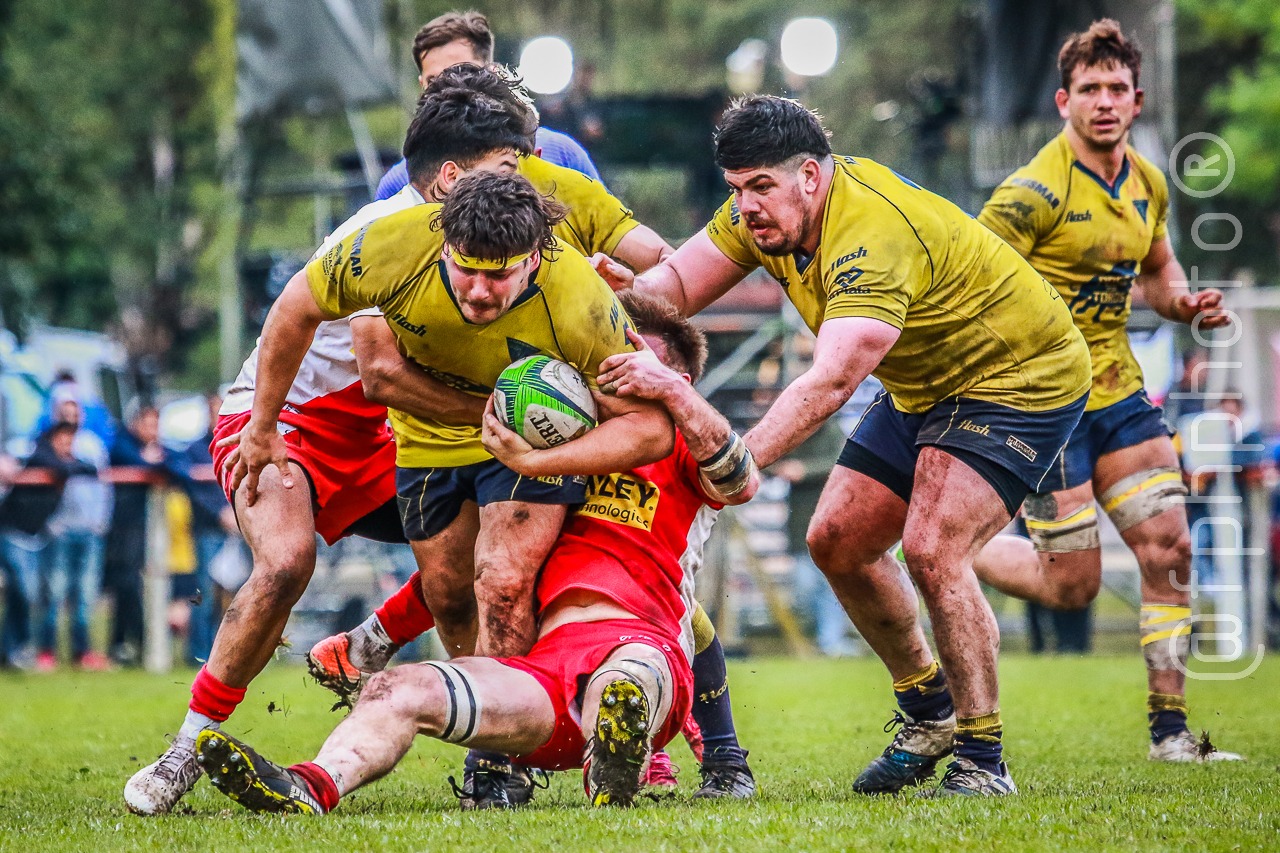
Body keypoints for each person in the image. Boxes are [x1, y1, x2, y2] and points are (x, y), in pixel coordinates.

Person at [124, 66, 685, 816]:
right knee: (294, 562)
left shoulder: (569, 277)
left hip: (425, 433)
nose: (527, 170)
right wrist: (260, 425)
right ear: (448, 188)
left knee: (499, 576)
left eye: (526, 162)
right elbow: (353, 353)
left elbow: (669, 289)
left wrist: (569, 426)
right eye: (508, 161)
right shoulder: (387, 237)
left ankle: (513, 757)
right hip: (315, 418)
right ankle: (188, 745)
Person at [595, 95, 1092, 796]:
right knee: (835, 539)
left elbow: (828, 382)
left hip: (1019, 377)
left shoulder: (869, 235)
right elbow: (675, 285)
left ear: (809, 176)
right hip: (925, 384)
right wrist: (604, 304)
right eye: (736, 190)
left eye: (760, 187)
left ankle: (984, 758)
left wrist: (732, 461)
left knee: (931, 545)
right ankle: (929, 712)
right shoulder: (760, 214)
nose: (747, 208)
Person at [193, 290, 759, 814]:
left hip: (640, 644)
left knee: (624, 684)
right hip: (538, 681)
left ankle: (617, 760)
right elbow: (465, 572)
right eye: (608, 363)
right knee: (400, 688)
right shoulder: (547, 463)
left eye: (636, 369)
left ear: (675, 379)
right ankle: (311, 785)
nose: (614, 381)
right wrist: (375, 639)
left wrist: (675, 395)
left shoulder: (684, 447)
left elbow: (741, 481)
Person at [970, 20, 1240, 762]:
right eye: (1088, 89)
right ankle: (954, 554)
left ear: (1137, 100)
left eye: (1116, 88)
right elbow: (971, 281)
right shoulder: (1029, 194)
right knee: (1072, 586)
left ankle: (1171, 730)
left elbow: (1156, 273)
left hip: (1120, 392)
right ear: (1064, 101)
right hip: (1044, 406)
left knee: (1171, 548)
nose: (1103, 101)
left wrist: (1187, 304)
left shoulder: (1147, 182)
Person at [374, 10, 600, 201]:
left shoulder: (560, 154)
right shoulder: (400, 185)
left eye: (462, 71)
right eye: (434, 80)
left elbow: (612, 235)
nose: (447, 87)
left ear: (491, 74)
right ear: (422, 85)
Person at [0, 422, 96, 669]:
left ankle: (12, 649)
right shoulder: (40, 455)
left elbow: (90, 468)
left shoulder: (65, 461)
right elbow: (61, 466)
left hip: (34, 537)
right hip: (12, 531)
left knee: (24, 594)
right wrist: (71, 465)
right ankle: (15, 647)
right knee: (25, 590)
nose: (66, 445)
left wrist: (72, 465)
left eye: (69, 441)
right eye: (62, 440)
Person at [39, 395, 113, 671]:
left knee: (86, 594)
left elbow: (103, 484)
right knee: (55, 592)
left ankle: (82, 652)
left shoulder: (93, 445)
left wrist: (101, 520)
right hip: (60, 530)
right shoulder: (46, 444)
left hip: (89, 529)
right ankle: (47, 651)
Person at [102, 404, 166, 667]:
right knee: (125, 586)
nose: (152, 431)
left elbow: (169, 461)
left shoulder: (149, 448)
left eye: (155, 425)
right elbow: (139, 461)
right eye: (148, 424)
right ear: (135, 423)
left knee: (130, 587)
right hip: (117, 530)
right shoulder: (121, 443)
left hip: (139, 531)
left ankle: (126, 645)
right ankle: (130, 643)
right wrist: (151, 459)